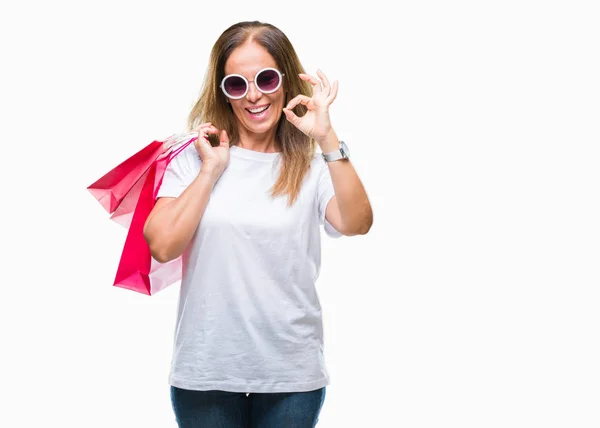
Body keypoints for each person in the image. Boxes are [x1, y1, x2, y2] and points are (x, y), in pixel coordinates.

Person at [143, 20, 373, 427]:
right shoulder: (193, 156)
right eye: (237, 84)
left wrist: (327, 138)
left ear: (285, 79)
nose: (253, 96)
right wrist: (211, 171)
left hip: (291, 372)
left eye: (266, 79)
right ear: (223, 92)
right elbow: (162, 245)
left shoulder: (312, 162)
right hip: (207, 369)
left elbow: (356, 222)